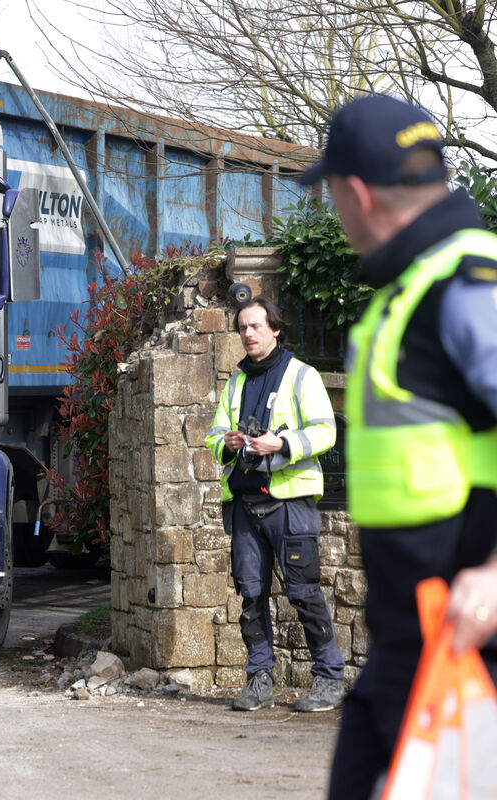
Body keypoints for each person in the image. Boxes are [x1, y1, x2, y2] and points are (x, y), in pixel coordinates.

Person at [298, 94, 497, 799]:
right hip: (412, 644)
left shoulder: (467, 284)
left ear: (354, 192)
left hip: (468, 648)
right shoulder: (414, 286)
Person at [205, 297, 345, 713]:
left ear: (275, 329)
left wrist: (281, 443)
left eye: (256, 326)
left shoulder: (302, 376)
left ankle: (329, 678)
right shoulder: (236, 383)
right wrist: (228, 443)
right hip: (246, 505)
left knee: (303, 593)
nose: (248, 333)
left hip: (290, 504)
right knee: (250, 595)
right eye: (243, 328)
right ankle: (259, 679)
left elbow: (326, 430)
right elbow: (213, 437)